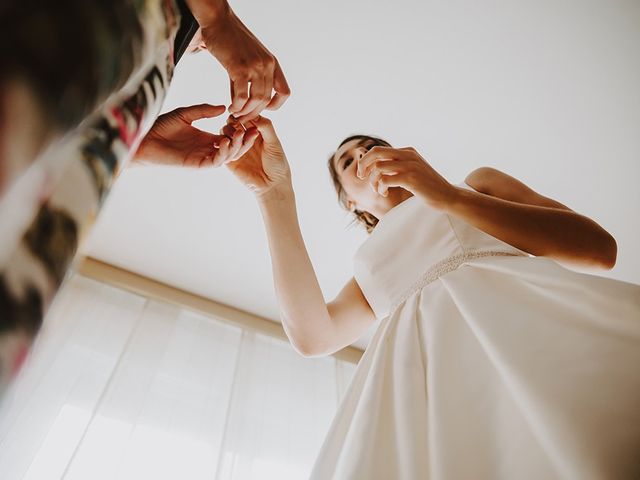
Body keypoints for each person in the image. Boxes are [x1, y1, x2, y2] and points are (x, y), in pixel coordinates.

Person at [221, 116, 640, 479]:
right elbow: (315, 337)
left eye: (371, 147)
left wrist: (449, 196)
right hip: (430, 392)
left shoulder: (477, 184)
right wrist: (274, 195)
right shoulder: (369, 264)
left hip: (530, 333)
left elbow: (599, 249)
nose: (363, 155)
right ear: (352, 203)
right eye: (347, 161)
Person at [0, 0, 286, 394]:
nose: (200, 48)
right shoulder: (146, 18)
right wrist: (220, 18)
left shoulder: (154, 55)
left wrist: (131, 147)